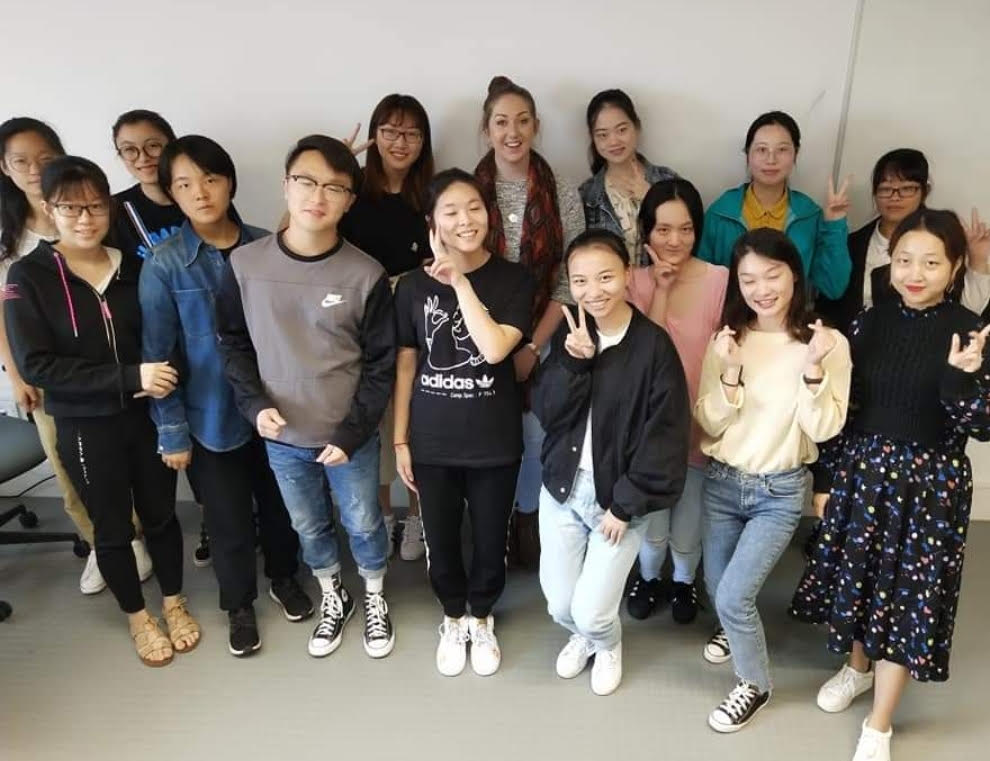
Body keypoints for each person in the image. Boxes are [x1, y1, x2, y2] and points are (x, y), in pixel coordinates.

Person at [790, 209, 990, 761]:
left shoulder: (971, 330)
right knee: (862, 578)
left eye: (930, 262)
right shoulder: (869, 323)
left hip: (930, 485)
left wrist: (963, 377)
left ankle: (879, 723)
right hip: (864, 471)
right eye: (904, 260)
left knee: (906, 595)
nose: (914, 272)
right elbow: (846, 409)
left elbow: (983, 425)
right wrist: (827, 477)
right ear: (890, 263)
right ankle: (856, 667)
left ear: (954, 269)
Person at [4, 156, 198, 666]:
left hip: (147, 417)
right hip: (84, 424)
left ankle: (174, 602)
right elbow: (38, 366)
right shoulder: (29, 276)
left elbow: (167, 336)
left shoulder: (137, 264)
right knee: (111, 527)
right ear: (49, 209)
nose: (85, 218)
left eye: (95, 206)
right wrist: (131, 376)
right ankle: (138, 616)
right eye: (71, 208)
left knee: (161, 515)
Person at [216, 134, 396, 660]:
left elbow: (381, 365)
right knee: (308, 525)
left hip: (348, 437)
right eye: (307, 181)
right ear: (286, 185)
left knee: (363, 520)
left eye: (334, 187)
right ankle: (332, 593)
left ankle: (375, 594)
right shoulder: (245, 266)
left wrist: (354, 431)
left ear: (349, 201)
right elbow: (232, 342)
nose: (318, 195)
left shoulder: (367, 274)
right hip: (282, 435)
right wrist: (252, 406)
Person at [140, 135, 312, 657]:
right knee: (228, 519)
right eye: (185, 184)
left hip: (278, 408)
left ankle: (284, 578)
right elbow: (158, 355)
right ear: (170, 193)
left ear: (230, 181)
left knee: (283, 508)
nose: (201, 192)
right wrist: (171, 431)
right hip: (209, 416)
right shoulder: (165, 264)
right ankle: (238, 604)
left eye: (210, 179)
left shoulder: (267, 246)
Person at [695, 227, 851, 731]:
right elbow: (710, 421)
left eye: (773, 274)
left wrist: (811, 372)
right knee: (718, 588)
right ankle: (732, 628)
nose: (761, 289)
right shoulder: (727, 340)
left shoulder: (827, 343)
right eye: (748, 279)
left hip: (779, 491)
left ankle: (755, 684)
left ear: (794, 274)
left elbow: (825, 428)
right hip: (721, 482)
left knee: (734, 596)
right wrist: (732, 374)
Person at [532, 229, 690, 695]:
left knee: (592, 609)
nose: (592, 291)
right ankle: (584, 635)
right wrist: (572, 363)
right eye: (580, 281)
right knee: (560, 605)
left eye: (605, 276)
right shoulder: (570, 332)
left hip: (618, 499)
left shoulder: (653, 346)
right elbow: (547, 411)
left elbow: (664, 435)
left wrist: (626, 504)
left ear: (627, 274)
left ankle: (606, 640)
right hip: (562, 488)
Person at [0, 117, 151, 595]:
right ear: (4, 167)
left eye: (43, 158)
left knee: (132, 463)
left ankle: (133, 539)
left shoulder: (103, 227)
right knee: (72, 469)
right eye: (19, 160)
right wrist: (16, 371)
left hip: (123, 375)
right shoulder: (13, 243)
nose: (31, 168)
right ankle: (105, 544)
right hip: (48, 374)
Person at [393, 168, 535, 677]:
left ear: (489, 213)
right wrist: (400, 438)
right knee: (442, 538)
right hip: (432, 440)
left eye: (474, 207)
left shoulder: (515, 279)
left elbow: (496, 349)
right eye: (450, 211)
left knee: (491, 536)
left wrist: (458, 280)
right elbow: (408, 362)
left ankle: (482, 615)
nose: (465, 219)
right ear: (432, 222)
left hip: (494, 440)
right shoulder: (410, 287)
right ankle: (453, 616)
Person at [474, 75, 585, 569]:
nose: (512, 132)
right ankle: (491, 526)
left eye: (523, 121)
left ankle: (528, 520)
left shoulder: (561, 190)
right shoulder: (470, 189)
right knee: (490, 435)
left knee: (538, 434)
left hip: (546, 336)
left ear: (537, 126)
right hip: (479, 337)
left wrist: (533, 347)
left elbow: (569, 277)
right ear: (487, 128)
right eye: (502, 122)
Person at [623, 178, 728, 623]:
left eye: (685, 229)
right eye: (663, 229)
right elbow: (641, 354)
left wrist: (713, 420)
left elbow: (728, 356)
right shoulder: (630, 281)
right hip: (648, 422)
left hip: (700, 417)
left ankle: (684, 582)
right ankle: (648, 577)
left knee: (689, 517)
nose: (674, 240)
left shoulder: (720, 279)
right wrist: (661, 289)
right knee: (653, 519)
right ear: (646, 231)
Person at [339, 93, 434, 562]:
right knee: (372, 423)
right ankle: (381, 516)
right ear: (374, 136)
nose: (400, 142)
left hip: (418, 326)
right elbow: (295, 233)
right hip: (360, 324)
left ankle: (417, 517)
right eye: (390, 131)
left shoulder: (430, 195)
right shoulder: (350, 190)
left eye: (411, 132)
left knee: (415, 421)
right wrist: (337, 166)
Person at [816, 148, 990, 332]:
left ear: (925, 191)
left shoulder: (941, 241)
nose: (895, 197)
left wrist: (978, 260)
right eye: (885, 189)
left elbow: (968, 313)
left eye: (907, 188)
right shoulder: (854, 243)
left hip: (927, 346)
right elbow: (830, 304)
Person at [697, 110, 852, 300]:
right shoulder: (721, 213)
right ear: (748, 155)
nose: (771, 159)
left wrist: (834, 225)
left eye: (782, 149)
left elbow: (833, 287)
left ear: (796, 153)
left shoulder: (809, 215)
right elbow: (701, 286)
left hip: (792, 324)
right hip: (732, 321)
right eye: (762, 149)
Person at [578, 89, 676, 265]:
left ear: (637, 128)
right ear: (593, 138)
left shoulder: (668, 181)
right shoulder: (587, 195)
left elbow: (685, 239)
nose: (613, 141)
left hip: (664, 287)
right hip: (611, 292)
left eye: (622, 130)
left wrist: (653, 199)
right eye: (602, 135)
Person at [109, 110, 184, 260]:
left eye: (153, 146)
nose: (143, 158)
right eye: (129, 149)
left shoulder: (202, 195)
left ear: (172, 145)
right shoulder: (112, 210)